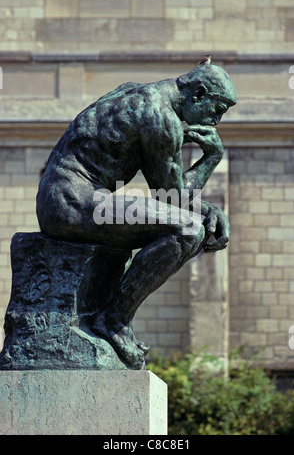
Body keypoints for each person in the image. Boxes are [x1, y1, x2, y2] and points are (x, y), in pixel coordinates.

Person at [36, 63, 236, 368]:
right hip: (71, 203)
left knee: (186, 222)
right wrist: (212, 158)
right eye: (218, 108)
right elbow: (175, 198)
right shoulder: (160, 116)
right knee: (187, 231)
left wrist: (206, 208)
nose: (217, 120)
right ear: (199, 93)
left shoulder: (136, 91)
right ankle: (114, 321)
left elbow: (170, 198)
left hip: (65, 197)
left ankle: (110, 319)